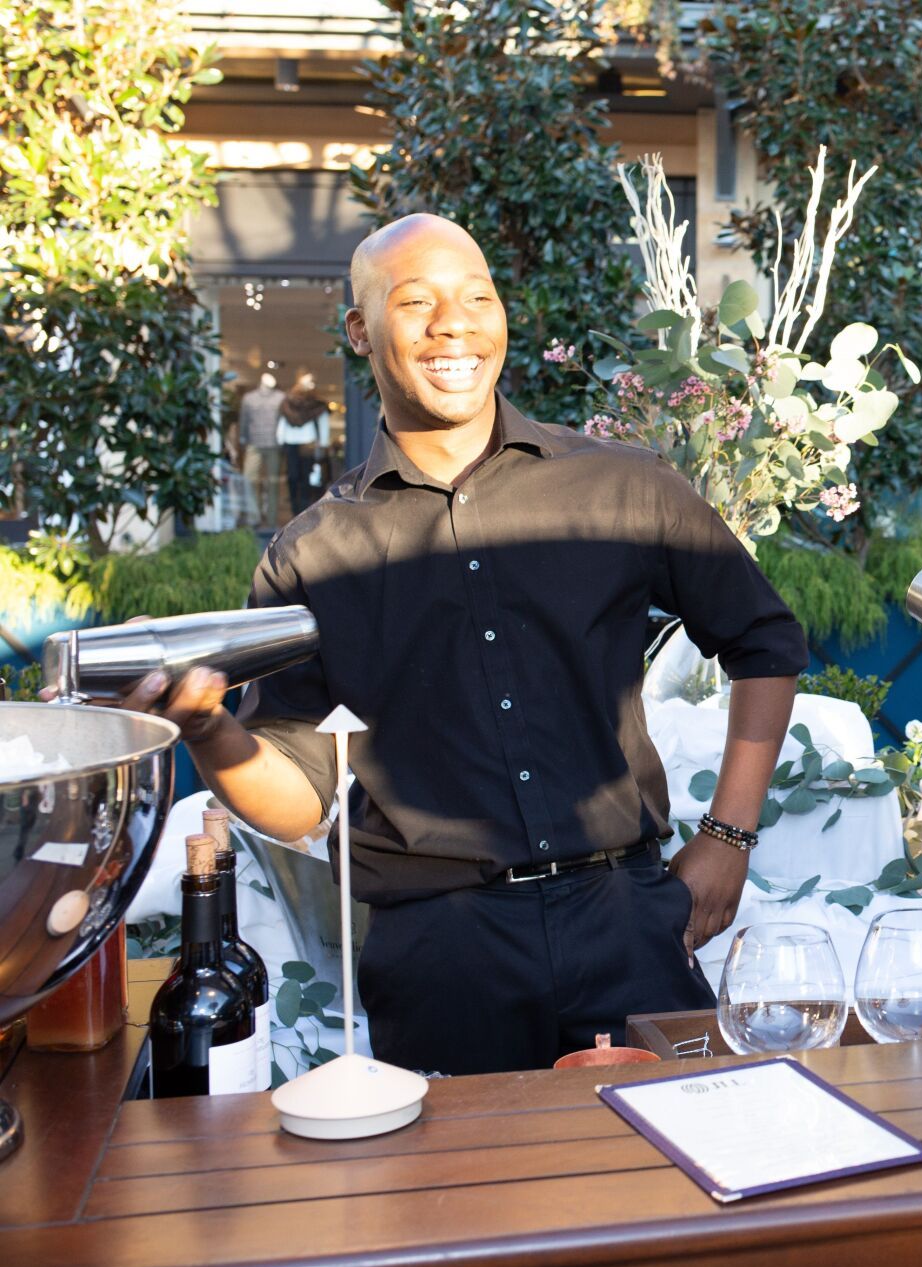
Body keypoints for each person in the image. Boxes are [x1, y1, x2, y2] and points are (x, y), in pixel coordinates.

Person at [113, 214, 805, 1074]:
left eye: (477, 296)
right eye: (416, 301)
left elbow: (765, 640)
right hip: (441, 953)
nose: (454, 323)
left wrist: (729, 836)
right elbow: (300, 800)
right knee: (457, 1207)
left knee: (672, 1186)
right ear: (360, 330)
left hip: (627, 918)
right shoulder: (311, 554)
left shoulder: (623, 486)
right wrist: (210, 731)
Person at [276, 372, 329, 517]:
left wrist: (323, 442)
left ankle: (301, 509)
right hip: (300, 442)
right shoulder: (291, 403)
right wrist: (323, 442)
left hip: (303, 443)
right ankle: (299, 509)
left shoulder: (312, 404)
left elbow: (282, 424)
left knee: (301, 477)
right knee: (297, 478)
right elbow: (283, 423)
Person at [237, 373, 284, 527]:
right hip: (253, 444)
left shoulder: (281, 397)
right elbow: (243, 420)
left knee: (273, 483)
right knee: (249, 479)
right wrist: (242, 438)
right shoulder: (248, 398)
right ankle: (254, 517)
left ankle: (271, 520)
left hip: (274, 444)